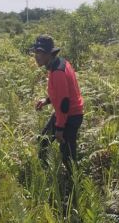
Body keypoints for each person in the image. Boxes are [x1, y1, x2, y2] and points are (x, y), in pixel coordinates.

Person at [30, 35, 84, 212]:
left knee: (68, 156)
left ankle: (75, 192)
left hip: (69, 117)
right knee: (43, 141)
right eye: (35, 52)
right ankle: (48, 176)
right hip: (67, 114)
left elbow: (64, 103)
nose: (36, 56)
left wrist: (60, 128)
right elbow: (61, 93)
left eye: (40, 53)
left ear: (49, 54)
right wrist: (46, 100)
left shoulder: (58, 71)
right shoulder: (59, 64)